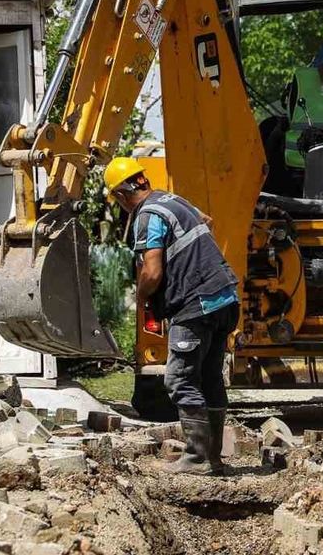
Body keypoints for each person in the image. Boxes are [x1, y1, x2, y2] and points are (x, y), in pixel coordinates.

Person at [104, 157, 238, 475]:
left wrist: (139, 296)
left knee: (179, 379)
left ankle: (197, 458)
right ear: (142, 181)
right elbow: (207, 221)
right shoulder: (171, 200)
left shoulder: (147, 215)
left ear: (121, 196)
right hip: (225, 298)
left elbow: (151, 272)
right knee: (209, 377)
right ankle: (213, 458)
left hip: (196, 304)